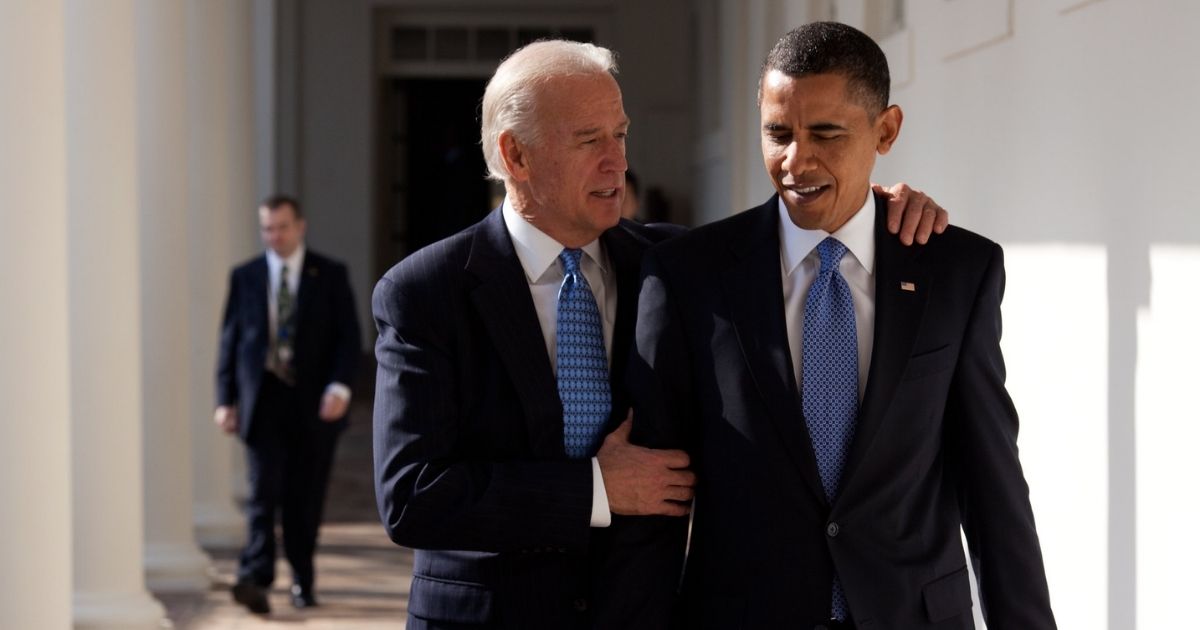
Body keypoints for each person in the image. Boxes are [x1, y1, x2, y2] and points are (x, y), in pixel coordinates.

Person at [371, 39, 947, 630]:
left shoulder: (679, 265)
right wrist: (596, 489)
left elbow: (803, 227)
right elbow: (413, 496)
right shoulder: (424, 292)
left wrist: (876, 210)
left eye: (619, 135)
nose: (617, 162)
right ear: (515, 156)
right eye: (588, 140)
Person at [617, 22, 1056, 629]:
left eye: (826, 133)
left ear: (886, 130)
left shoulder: (957, 270)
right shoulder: (688, 276)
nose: (797, 161)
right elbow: (656, 502)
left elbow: (992, 486)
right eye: (778, 134)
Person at [215, 194, 362, 614]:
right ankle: (255, 577)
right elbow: (230, 342)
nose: (273, 236)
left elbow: (347, 339)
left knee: (304, 497)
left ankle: (303, 578)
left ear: (300, 227)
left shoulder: (330, 275)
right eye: (266, 229)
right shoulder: (245, 276)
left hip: (313, 404)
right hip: (262, 401)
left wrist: (339, 388)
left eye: (281, 227)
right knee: (262, 493)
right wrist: (225, 399)